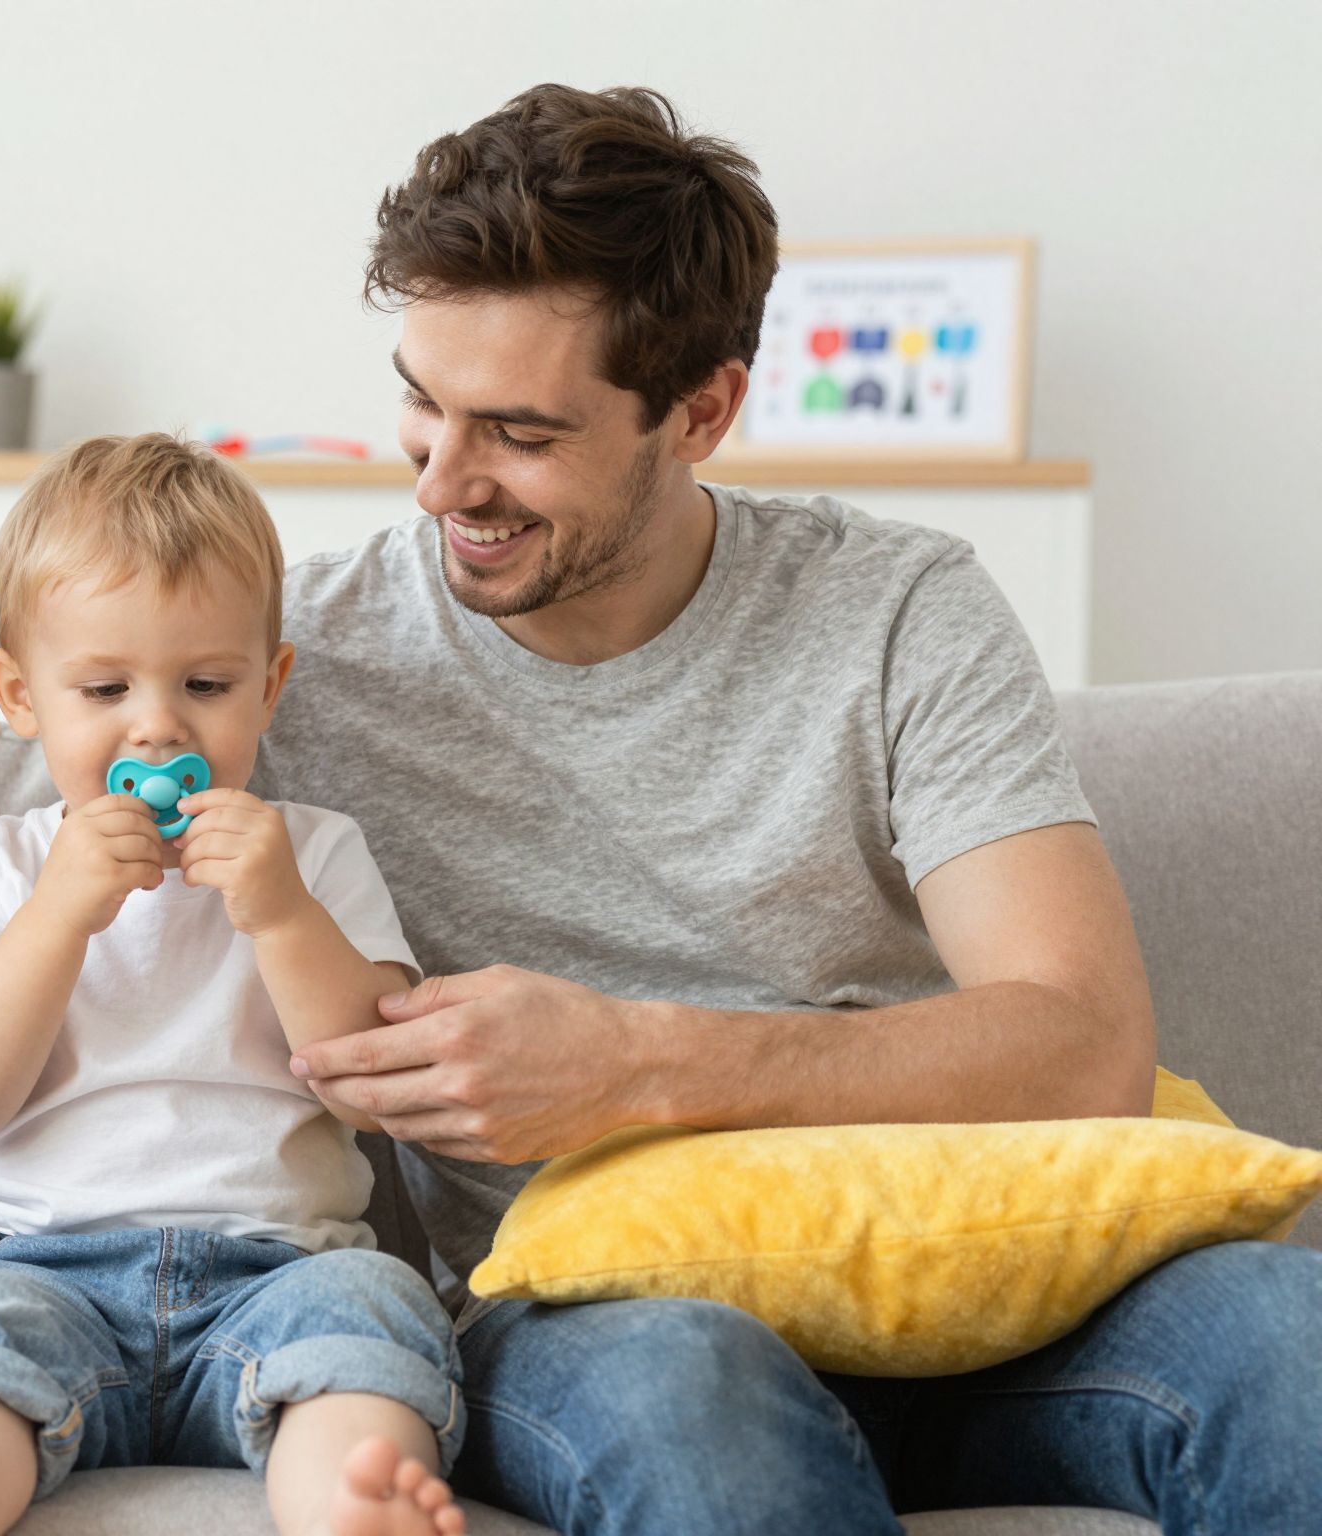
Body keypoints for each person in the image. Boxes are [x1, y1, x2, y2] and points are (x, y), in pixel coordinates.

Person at [253, 83, 1322, 1534]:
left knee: (1290, 1332)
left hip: (976, 1287)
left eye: (517, 430)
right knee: (694, 1402)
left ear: (702, 409)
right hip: (609, 1324)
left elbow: (1084, 1039)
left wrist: (634, 1063)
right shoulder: (293, 663)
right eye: (420, 402)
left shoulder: (896, 610)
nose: (444, 480)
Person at [0, 434, 468, 1536]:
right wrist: (57, 916)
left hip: (280, 1267)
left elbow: (371, 1092)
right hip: (37, 1263)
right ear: (19, 695)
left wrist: (279, 915)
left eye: (205, 685)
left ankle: (348, 1500)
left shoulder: (311, 854)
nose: (158, 725)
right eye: (105, 687)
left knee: (366, 1325)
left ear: (268, 688)